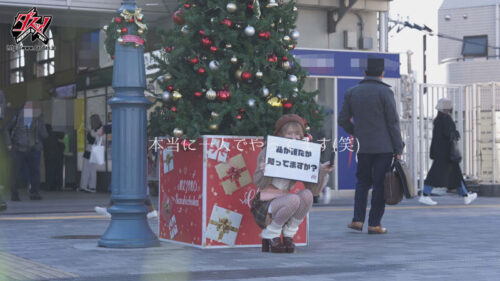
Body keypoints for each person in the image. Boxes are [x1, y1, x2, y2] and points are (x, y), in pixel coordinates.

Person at [338, 58, 404, 234]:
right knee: (380, 185)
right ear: (382, 73)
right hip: (384, 148)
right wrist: (399, 148)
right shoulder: (385, 93)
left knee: (362, 183)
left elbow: (342, 120)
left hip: (362, 147)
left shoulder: (352, 92)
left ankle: (357, 220)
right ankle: (374, 224)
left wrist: (356, 132)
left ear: (364, 73)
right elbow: (393, 123)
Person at [251, 114, 333, 253]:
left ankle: (288, 234)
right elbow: (258, 182)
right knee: (293, 199)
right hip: (265, 203)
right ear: (281, 135)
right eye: (289, 134)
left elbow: (313, 191)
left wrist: (322, 172)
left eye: (297, 135)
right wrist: (264, 170)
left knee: (306, 195)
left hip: (285, 204)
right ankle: (271, 234)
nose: (294, 138)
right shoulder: (269, 150)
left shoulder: (302, 153)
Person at [418, 98, 477, 206]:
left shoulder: (438, 119)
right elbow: (449, 134)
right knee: (437, 175)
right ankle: (425, 195)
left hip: (441, 152)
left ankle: (465, 195)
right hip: (446, 153)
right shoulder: (446, 119)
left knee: (455, 175)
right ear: (448, 108)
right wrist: (456, 133)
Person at [4, 101, 48, 200]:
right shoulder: (17, 117)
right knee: (17, 172)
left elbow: (44, 134)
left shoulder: (36, 119)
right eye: (27, 107)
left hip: (31, 149)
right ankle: (17, 194)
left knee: (33, 172)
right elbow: (6, 129)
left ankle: (33, 192)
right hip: (19, 148)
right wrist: (9, 144)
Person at [79, 114, 106, 193]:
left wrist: (88, 131)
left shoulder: (97, 129)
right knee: (92, 170)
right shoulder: (100, 128)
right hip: (94, 151)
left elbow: (94, 137)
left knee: (86, 169)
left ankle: (84, 186)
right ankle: (91, 187)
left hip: (90, 150)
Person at [43, 124, 65, 191]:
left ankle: (49, 185)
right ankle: (58, 185)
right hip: (57, 155)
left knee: (49, 171)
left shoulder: (44, 136)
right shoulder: (55, 134)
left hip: (48, 156)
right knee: (58, 171)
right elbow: (62, 138)